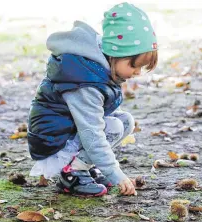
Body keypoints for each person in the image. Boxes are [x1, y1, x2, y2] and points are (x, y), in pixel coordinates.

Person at [27, 2, 158, 197]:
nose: (137, 73)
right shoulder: (85, 83)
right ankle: (72, 173)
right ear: (116, 54)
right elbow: (92, 133)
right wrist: (116, 174)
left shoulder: (97, 67)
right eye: (134, 65)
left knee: (125, 121)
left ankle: (82, 165)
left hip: (67, 131)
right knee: (112, 126)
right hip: (53, 139)